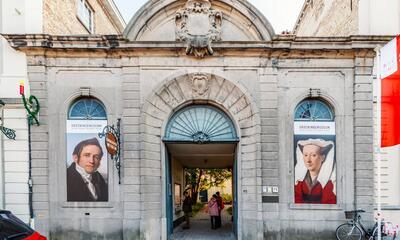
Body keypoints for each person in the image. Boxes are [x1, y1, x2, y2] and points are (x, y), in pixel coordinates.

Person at [294, 138, 336, 204]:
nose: (308, 160)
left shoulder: (329, 181)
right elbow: (296, 199)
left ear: (322, 158)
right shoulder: (299, 181)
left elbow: (329, 203)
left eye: (313, 155)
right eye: (305, 155)